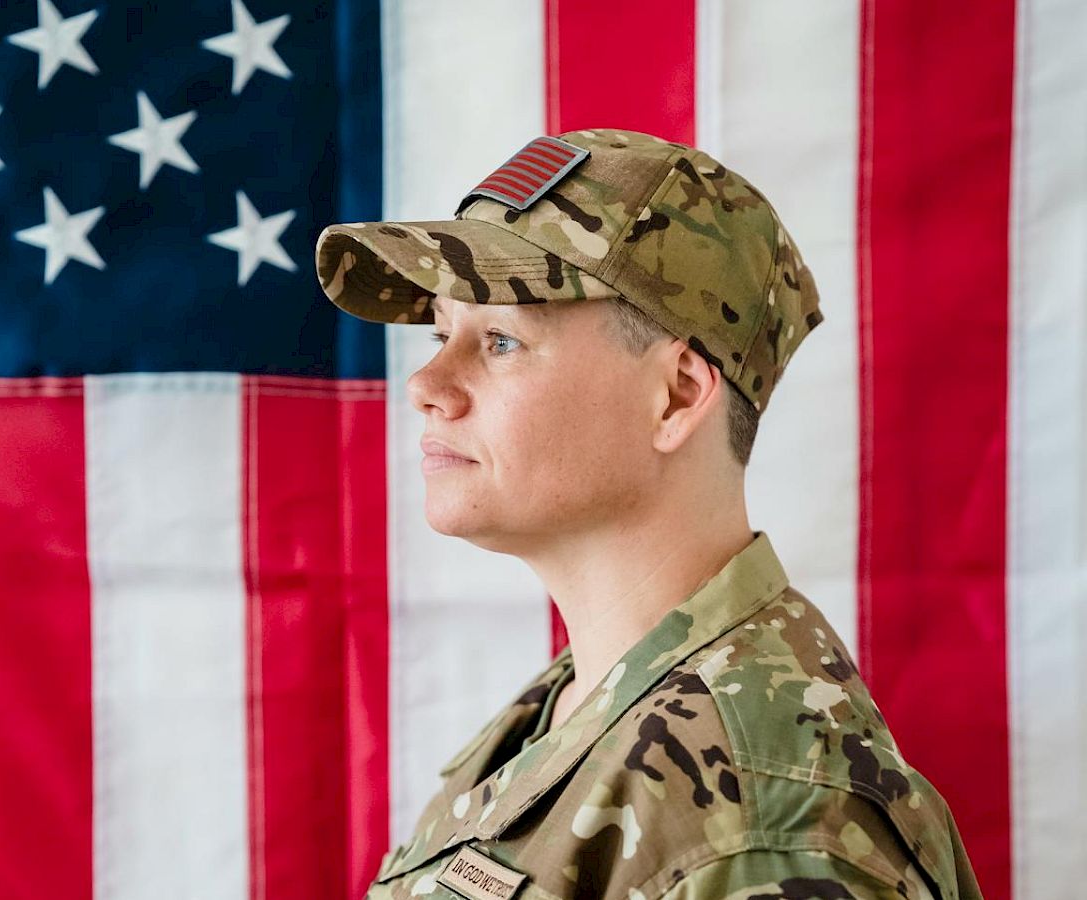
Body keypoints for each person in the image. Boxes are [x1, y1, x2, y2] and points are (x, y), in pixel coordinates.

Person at [315, 129, 983, 900]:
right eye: (441, 334)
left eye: (500, 340)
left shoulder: (767, 827)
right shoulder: (572, 709)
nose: (427, 382)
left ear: (675, 396)